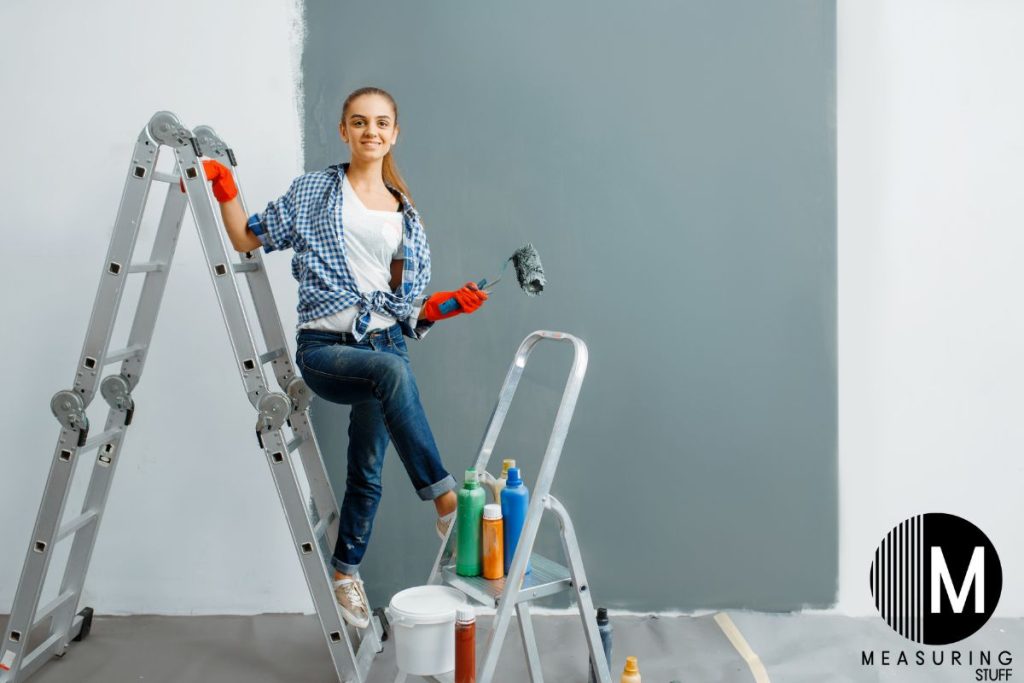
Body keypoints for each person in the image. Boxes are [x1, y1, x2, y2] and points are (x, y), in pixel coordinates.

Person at [200, 86, 487, 628]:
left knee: (369, 472)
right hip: (327, 350)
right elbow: (244, 238)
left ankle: (344, 576)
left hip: (386, 348)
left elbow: (405, 307)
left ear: (394, 133)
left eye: (381, 123)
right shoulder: (313, 192)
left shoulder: (407, 216)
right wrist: (226, 189)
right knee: (392, 371)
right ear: (344, 131)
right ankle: (447, 507)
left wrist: (446, 306)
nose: (370, 132)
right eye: (359, 122)